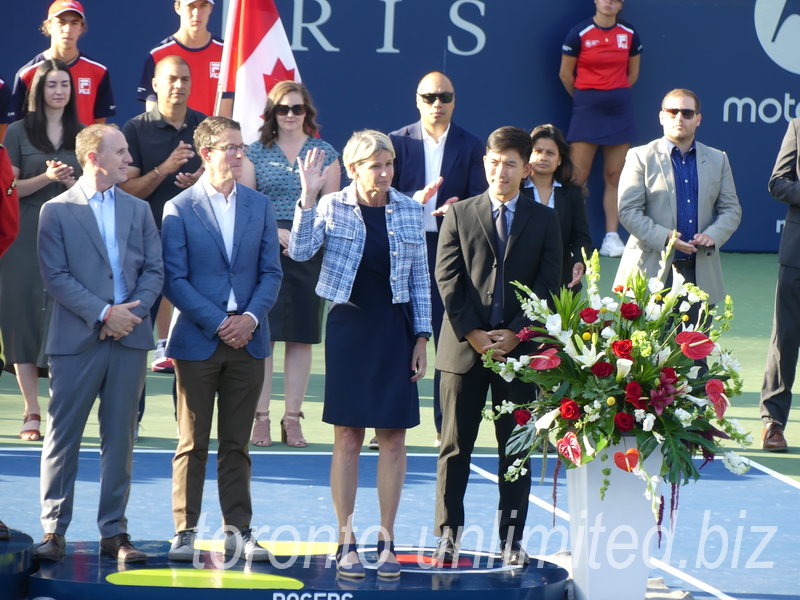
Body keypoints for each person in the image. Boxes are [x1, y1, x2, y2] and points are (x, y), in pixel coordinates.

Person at [289, 130, 431, 579]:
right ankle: (345, 539)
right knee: (348, 437)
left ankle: (387, 540)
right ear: (353, 170)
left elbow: (420, 280)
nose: (385, 173)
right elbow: (300, 250)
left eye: (389, 164)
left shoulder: (410, 208)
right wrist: (308, 197)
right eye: (375, 165)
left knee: (393, 437)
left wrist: (422, 337)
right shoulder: (331, 206)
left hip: (396, 328)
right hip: (350, 327)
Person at [433, 126, 562, 567]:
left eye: (509, 163)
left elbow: (548, 285)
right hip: (463, 352)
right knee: (454, 447)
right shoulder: (459, 213)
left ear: (525, 169)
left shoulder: (545, 220)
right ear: (484, 163)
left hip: (518, 353)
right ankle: (448, 536)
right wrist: (473, 333)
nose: (500, 171)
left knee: (516, 450)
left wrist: (517, 332)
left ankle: (511, 540)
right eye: (493, 161)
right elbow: (447, 280)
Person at [34, 124, 164, 563]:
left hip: (129, 339)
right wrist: (106, 313)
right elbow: (56, 278)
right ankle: (53, 530)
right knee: (62, 436)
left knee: (121, 440)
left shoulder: (139, 210)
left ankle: (114, 532)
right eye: (121, 151)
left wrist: (129, 314)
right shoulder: (54, 211)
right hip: (77, 341)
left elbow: (154, 272)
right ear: (94, 157)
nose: (129, 158)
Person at [161, 116, 282, 563]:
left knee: (237, 444)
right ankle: (185, 532)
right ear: (207, 152)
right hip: (198, 342)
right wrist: (219, 322)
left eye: (241, 147)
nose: (237, 155)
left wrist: (248, 318)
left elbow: (271, 273)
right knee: (192, 443)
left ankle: (238, 532)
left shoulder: (260, 206)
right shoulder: (178, 208)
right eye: (229, 147)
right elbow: (174, 280)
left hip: (249, 341)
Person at [238, 81, 339, 447]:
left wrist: (301, 234)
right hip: (264, 251)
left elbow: (333, 209)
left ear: (307, 113)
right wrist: (274, 232)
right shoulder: (255, 151)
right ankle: (261, 417)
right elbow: (247, 203)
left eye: (297, 109)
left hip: (310, 252)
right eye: (283, 109)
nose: (291, 116)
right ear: (272, 113)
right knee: (262, 335)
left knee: (300, 338)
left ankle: (292, 418)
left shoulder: (325, 152)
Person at [389, 70, 486, 448]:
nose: (437, 104)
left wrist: (458, 207)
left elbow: (480, 196)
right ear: (417, 100)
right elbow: (385, 194)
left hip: (450, 251)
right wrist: (417, 202)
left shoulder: (473, 144)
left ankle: (445, 427)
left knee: (449, 339)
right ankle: (389, 423)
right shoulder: (396, 141)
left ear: (454, 101)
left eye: (444, 97)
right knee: (399, 336)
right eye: (429, 97)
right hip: (405, 247)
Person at [0, 60, 83, 442]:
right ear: (38, 91)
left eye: (64, 84)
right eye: (51, 84)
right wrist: (47, 177)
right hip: (22, 235)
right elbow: (9, 188)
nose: (59, 91)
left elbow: (93, 187)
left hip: (68, 236)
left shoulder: (82, 134)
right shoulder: (17, 132)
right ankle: (31, 410)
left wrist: (72, 182)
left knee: (62, 322)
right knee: (22, 322)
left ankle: (59, 411)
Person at [614, 88, 742, 317]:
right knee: (646, 352)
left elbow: (731, 209)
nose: (679, 118)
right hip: (649, 271)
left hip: (699, 271)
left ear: (698, 119)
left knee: (695, 351)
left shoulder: (718, 159)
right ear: (662, 117)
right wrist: (666, 238)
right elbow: (628, 211)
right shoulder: (639, 156)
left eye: (687, 112)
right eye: (672, 112)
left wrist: (713, 234)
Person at [121, 55, 205, 384]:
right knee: (135, 331)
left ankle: (186, 425)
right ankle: (132, 417)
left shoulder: (205, 125)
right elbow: (127, 191)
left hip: (196, 242)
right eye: (171, 79)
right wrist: (165, 169)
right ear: (155, 85)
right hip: (145, 241)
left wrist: (201, 183)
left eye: (184, 79)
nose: (178, 85)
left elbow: (223, 185)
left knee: (194, 338)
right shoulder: (135, 128)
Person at [559, 0, 642, 258]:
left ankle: (611, 237)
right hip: (587, 110)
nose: (609, 2)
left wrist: (611, 93)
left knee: (615, 175)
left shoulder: (629, 34)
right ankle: (570, 238)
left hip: (619, 111)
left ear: (621, 4)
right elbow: (565, 74)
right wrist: (587, 97)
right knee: (576, 178)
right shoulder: (579, 33)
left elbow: (632, 74)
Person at [759, 117, 800, 452]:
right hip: (796, 254)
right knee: (785, 338)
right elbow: (778, 183)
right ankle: (773, 423)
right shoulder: (798, 127)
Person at [10, 1, 115, 126]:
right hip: (42, 145)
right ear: (49, 26)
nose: (68, 29)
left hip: (83, 145)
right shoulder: (27, 74)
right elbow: (19, 125)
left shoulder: (98, 71)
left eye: (74, 23)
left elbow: (99, 124)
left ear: (81, 28)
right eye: (61, 22)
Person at [523, 124, 592, 291]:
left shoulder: (572, 194)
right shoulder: (516, 191)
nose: (543, 157)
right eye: (537, 151)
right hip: (521, 279)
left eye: (550, 153)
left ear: (560, 159)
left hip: (562, 280)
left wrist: (579, 261)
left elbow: (581, 237)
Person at [137, 0, 232, 117]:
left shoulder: (227, 53)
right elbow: (152, 111)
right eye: (190, 6)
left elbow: (226, 111)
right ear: (177, 7)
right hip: (172, 134)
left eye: (203, 6)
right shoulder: (158, 54)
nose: (196, 13)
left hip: (212, 134)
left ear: (211, 8)